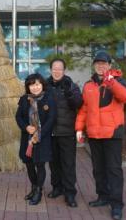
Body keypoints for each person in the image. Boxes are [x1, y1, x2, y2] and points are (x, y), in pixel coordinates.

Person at [75, 51, 126, 220]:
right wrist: (79, 129)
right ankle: (103, 196)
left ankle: (116, 205)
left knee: (114, 170)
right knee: (98, 169)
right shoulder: (88, 85)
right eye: (98, 63)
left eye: (104, 63)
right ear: (94, 65)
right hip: (94, 134)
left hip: (112, 133)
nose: (101, 66)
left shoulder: (118, 81)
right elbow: (84, 109)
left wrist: (112, 83)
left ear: (109, 65)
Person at [16, 73, 57, 205]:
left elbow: (51, 120)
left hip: (42, 139)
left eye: (38, 84)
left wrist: (38, 134)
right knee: (29, 164)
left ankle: (39, 191)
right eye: (32, 85)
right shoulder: (24, 99)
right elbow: (18, 117)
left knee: (40, 165)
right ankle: (34, 187)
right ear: (28, 86)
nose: (35, 87)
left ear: (42, 85)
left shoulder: (49, 99)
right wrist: (26, 127)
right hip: (27, 138)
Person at [46, 58, 83, 207]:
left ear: (64, 70)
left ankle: (70, 193)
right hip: (50, 132)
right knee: (54, 163)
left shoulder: (71, 85)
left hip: (67, 131)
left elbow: (78, 103)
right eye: (54, 68)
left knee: (68, 164)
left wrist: (69, 93)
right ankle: (57, 188)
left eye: (59, 68)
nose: (57, 71)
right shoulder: (45, 85)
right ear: (50, 70)